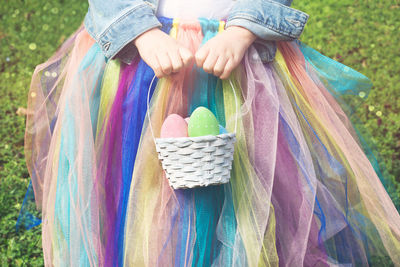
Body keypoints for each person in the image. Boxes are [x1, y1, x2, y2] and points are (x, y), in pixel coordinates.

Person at [19, 0, 400, 266]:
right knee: (142, 172)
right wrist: (140, 32)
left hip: (236, 55)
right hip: (144, 59)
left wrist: (242, 31)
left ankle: (242, 248)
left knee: (245, 165)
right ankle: (148, 250)